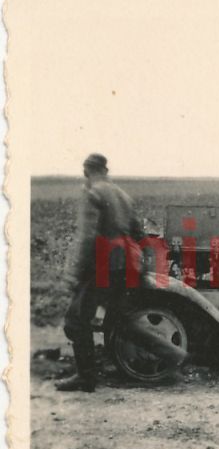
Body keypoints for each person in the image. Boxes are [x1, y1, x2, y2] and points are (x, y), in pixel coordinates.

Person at [58, 153, 143, 392]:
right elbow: (138, 233)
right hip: (125, 266)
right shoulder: (123, 195)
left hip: (102, 265)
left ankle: (86, 378)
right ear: (105, 170)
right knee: (116, 320)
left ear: (86, 172)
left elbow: (86, 238)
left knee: (76, 321)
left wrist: (74, 274)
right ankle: (169, 354)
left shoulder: (93, 194)